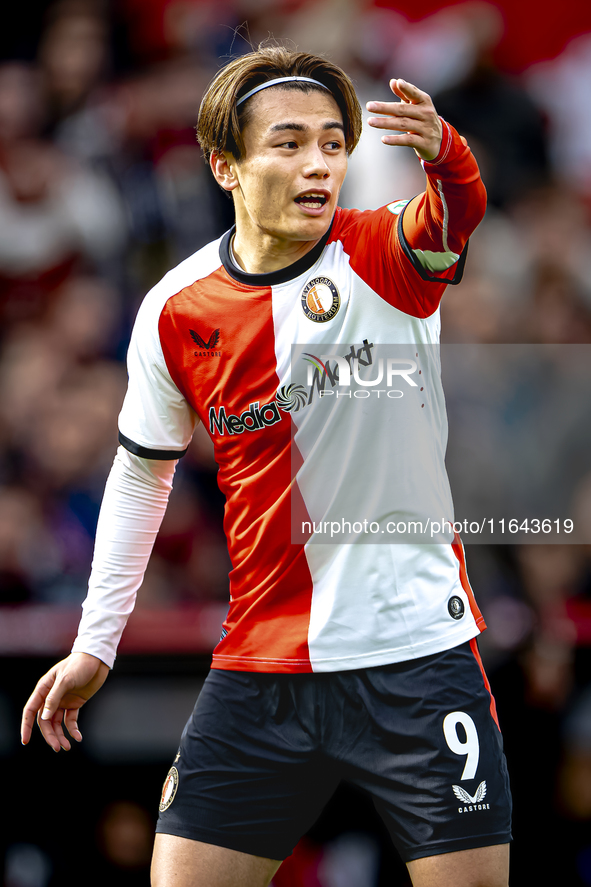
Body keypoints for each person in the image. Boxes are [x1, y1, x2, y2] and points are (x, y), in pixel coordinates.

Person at [21, 45, 511, 887]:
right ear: (225, 165)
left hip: (417, 657)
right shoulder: (176, 308)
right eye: (288, 142)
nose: (318, 161)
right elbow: (143, 474)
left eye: (332, 142)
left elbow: (455, 211)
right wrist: (94, 644)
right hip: (261, 667)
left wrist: (448, 154)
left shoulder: (386, 257)